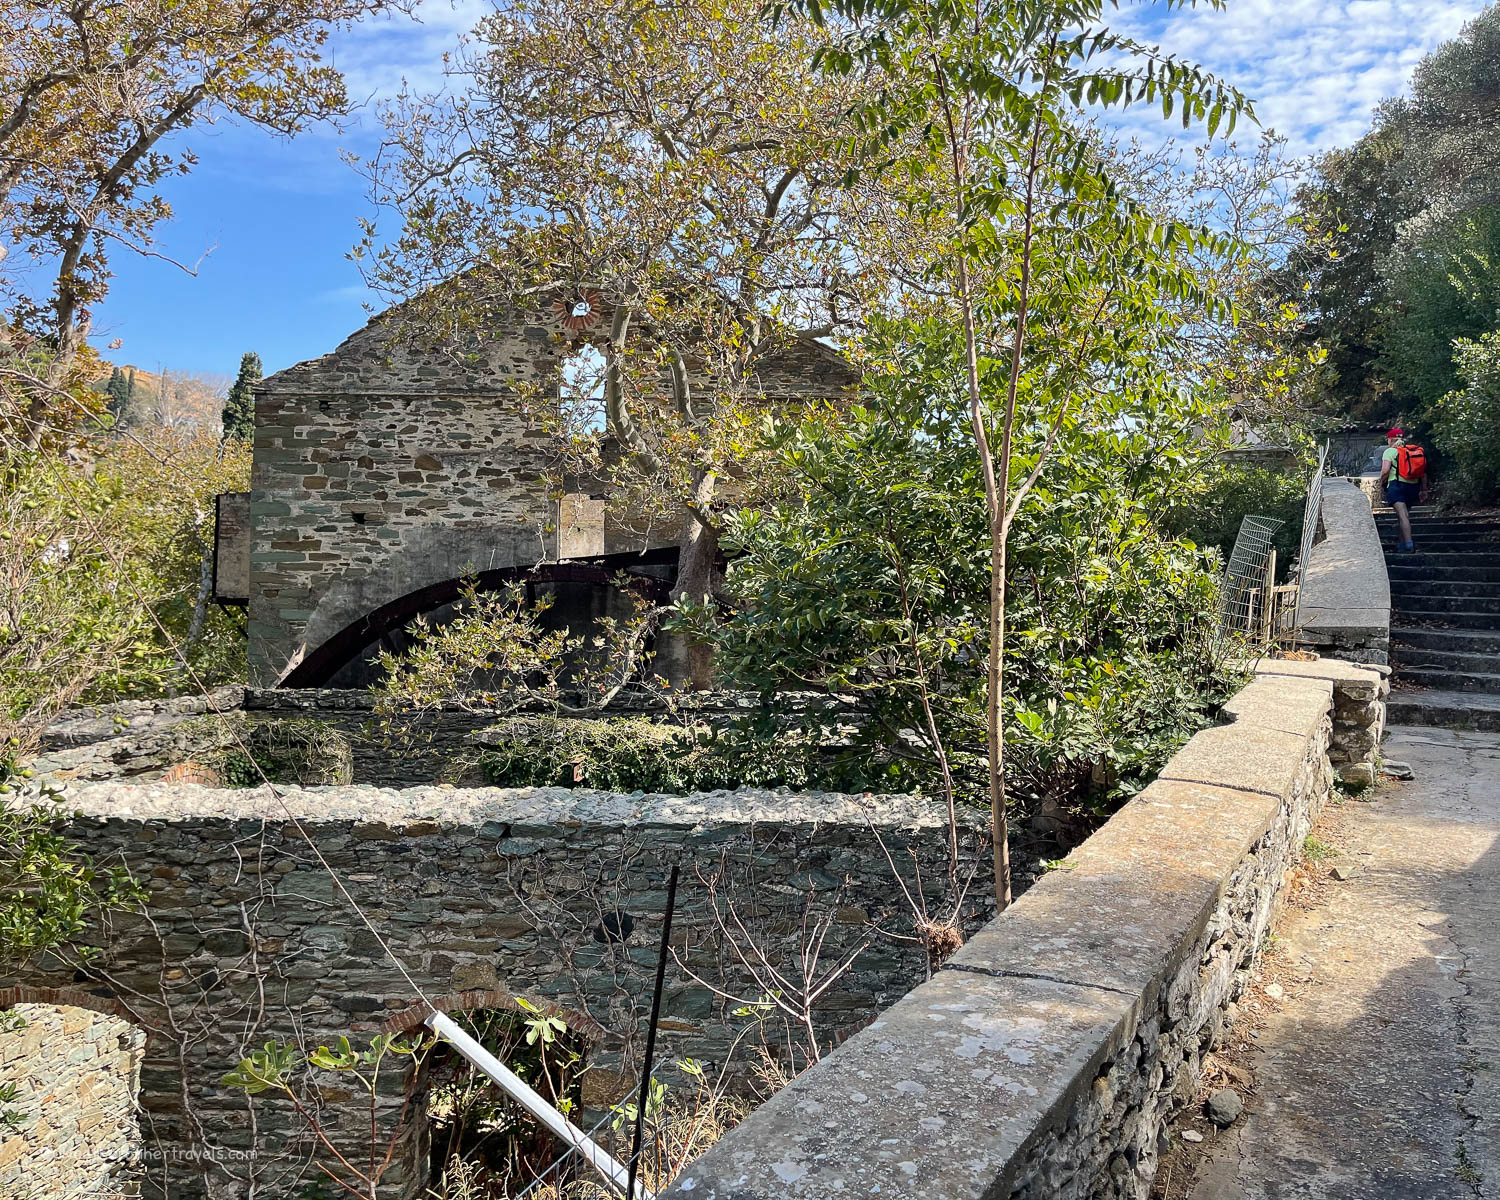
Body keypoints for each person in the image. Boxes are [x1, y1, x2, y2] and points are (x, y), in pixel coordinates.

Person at [1379, 427, 1428, 551]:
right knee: (1405, 515)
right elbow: (1423, 473)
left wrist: (1381, 482)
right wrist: (1424, 489)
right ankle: (1401, 544)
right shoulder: (1411, 451)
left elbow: (1385, 471)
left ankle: (1408, 544)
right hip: (1413, 486)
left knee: (1402, 515)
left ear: (1390, 440)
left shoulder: (1390, 451)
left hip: (1397, 485)